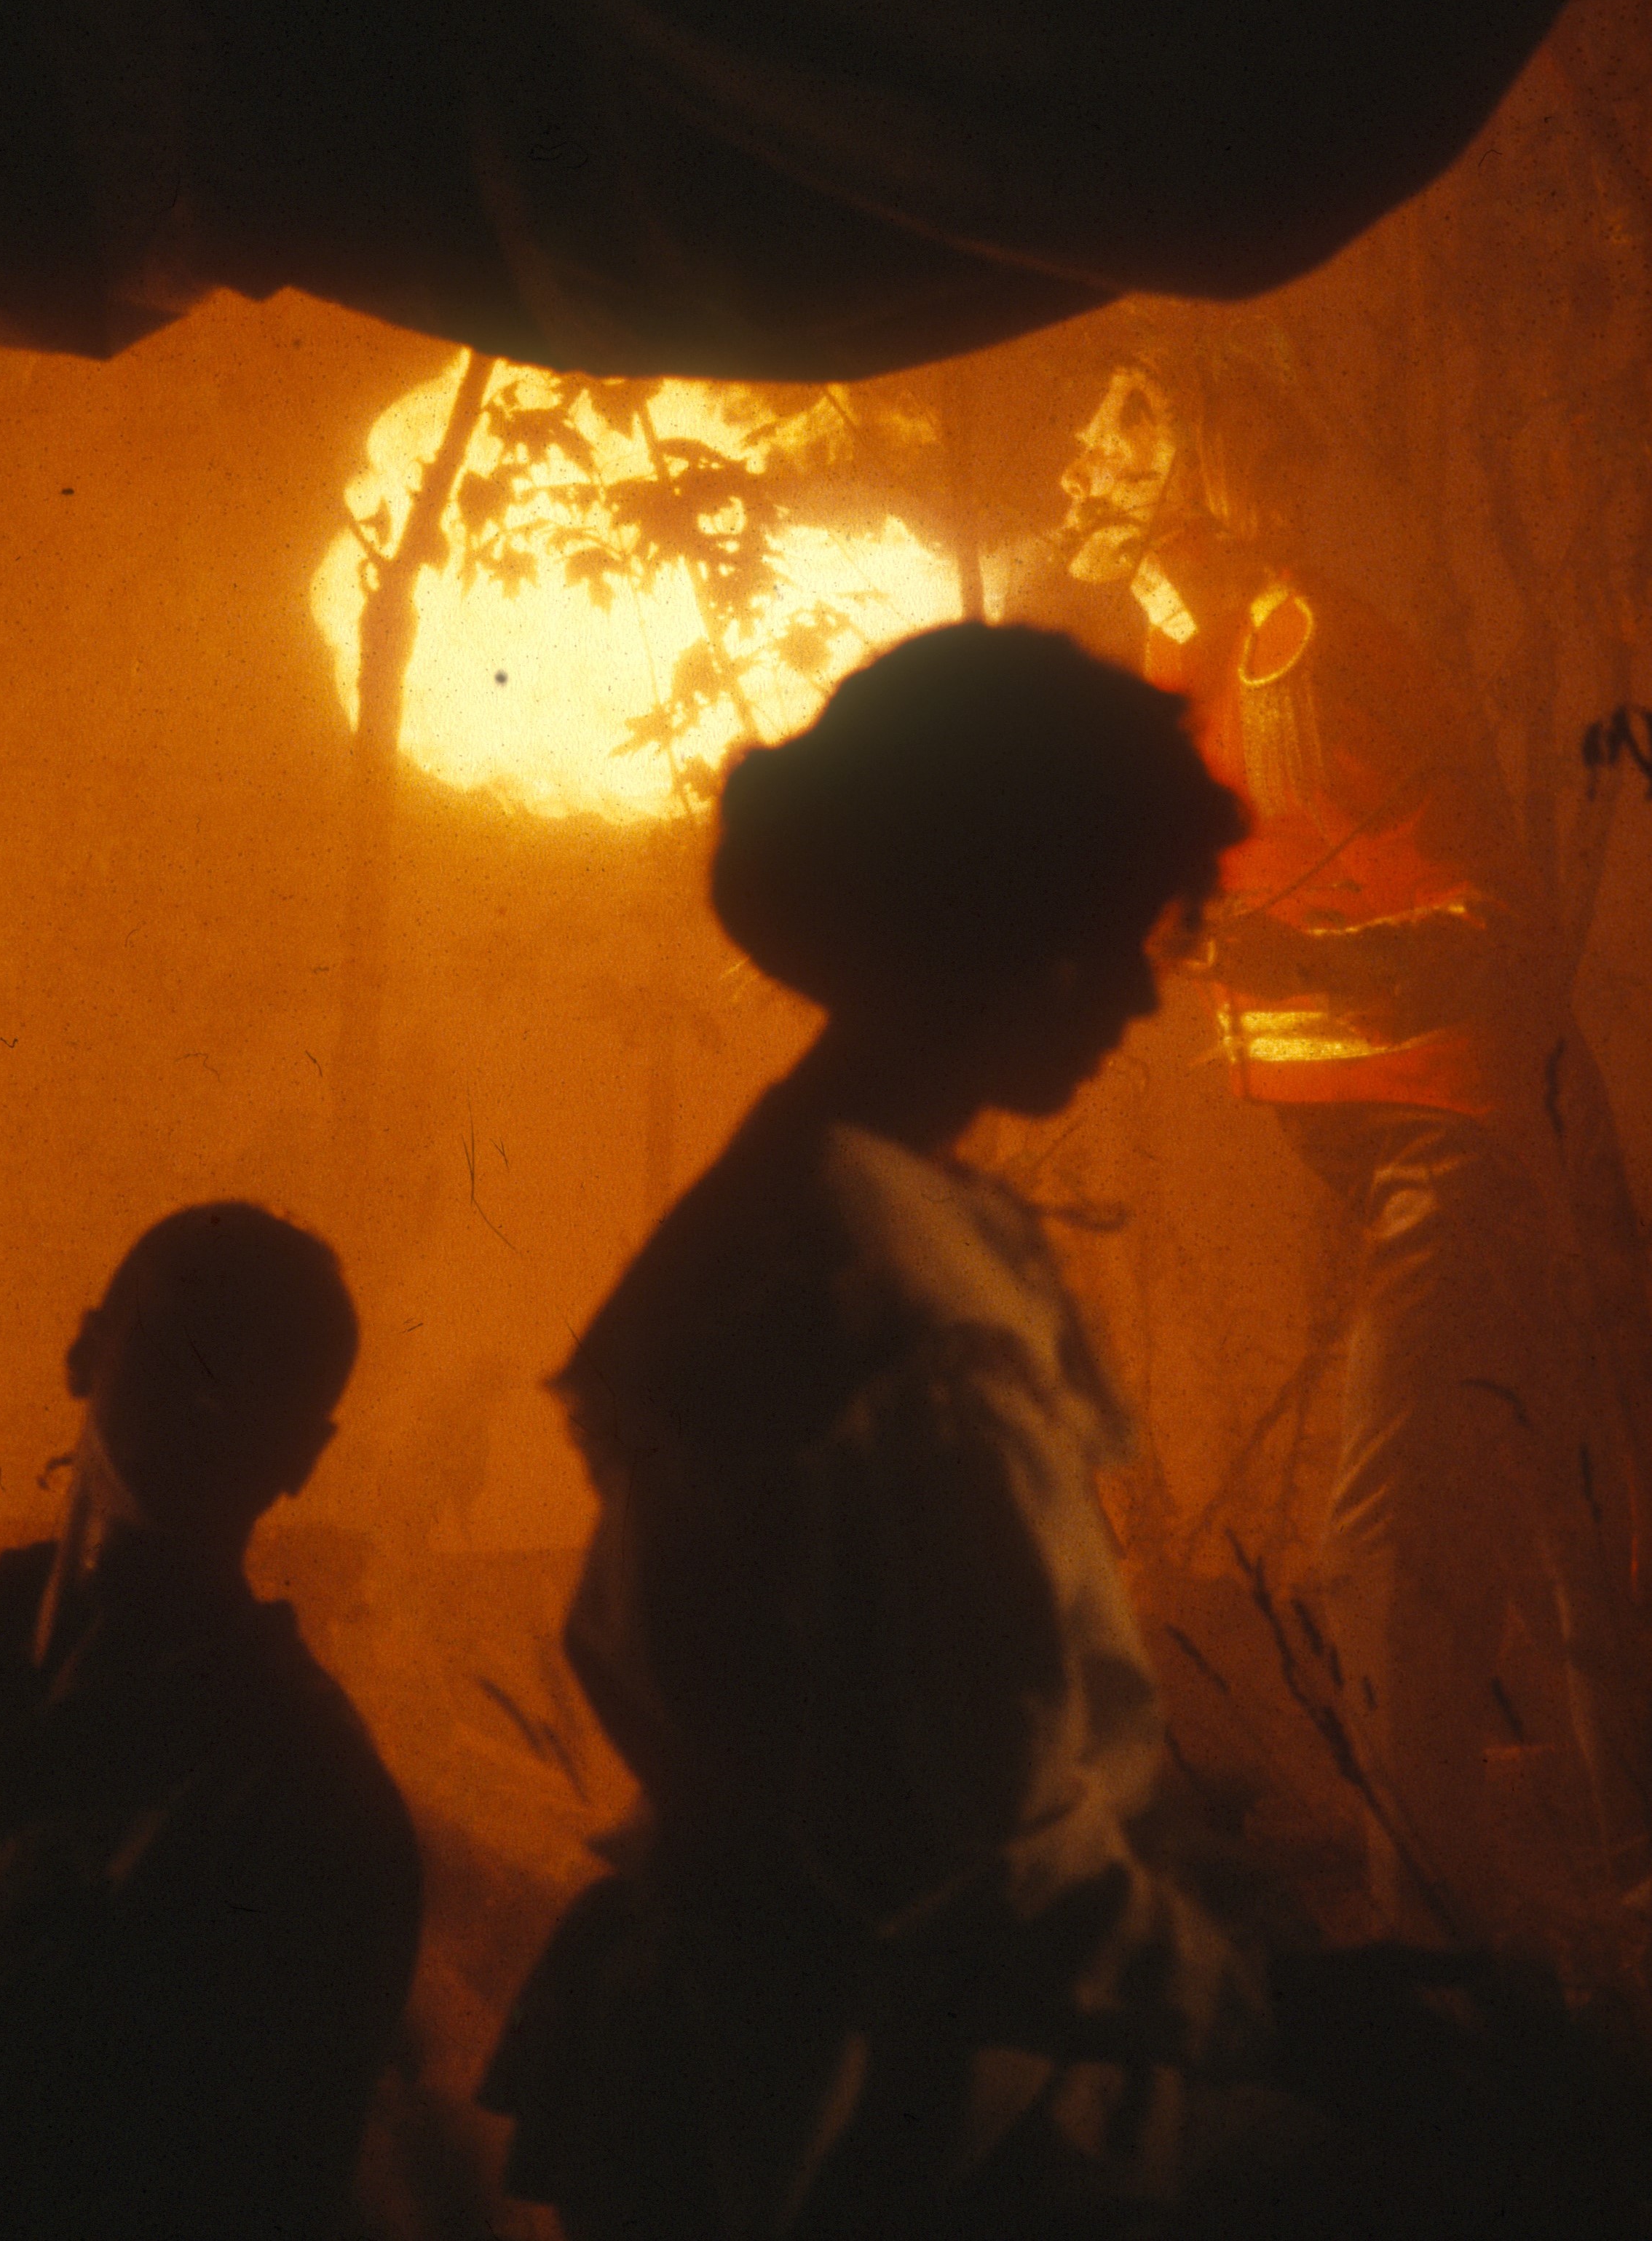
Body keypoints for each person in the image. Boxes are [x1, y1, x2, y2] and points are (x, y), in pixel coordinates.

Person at [481, 626, 1291, 2241]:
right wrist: (1282, 2009)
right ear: (991, 921)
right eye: (1111, 933)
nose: (1142, 989)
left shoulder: (855, 1215)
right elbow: (968, 1854)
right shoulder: (876, 1293)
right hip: (889, 2122)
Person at [1053, 346, 1651, 1967]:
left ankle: (1429, 1933)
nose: (1078, 468)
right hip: (1369, 1137)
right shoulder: (1183, 655)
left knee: (1388, 1537)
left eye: (1120, 437)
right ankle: (1594, 1900)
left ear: (1206, 467)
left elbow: (1493, 918)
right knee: (1556, 1507)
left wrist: (1300, 958)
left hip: (1461, 1129)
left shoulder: (1306, 645)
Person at [0, 1202, 422, 2240]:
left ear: (305, 1452)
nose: (211, 1397)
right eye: (182, 1343)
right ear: (84, 1352)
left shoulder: (308, 1805)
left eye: (264, 1375)